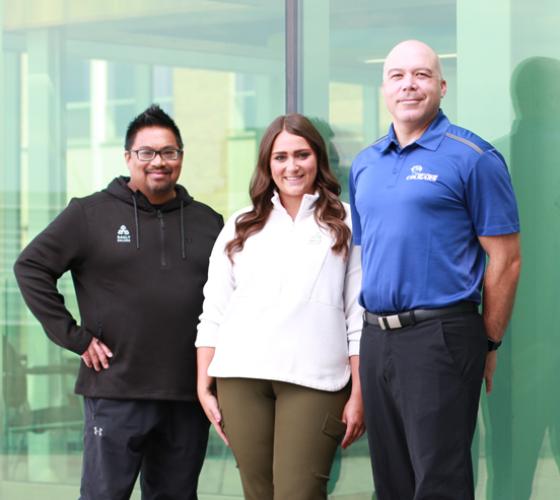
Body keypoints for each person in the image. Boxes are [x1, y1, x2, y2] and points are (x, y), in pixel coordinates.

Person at [13, 104, 223, 500]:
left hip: (185, 395)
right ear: (128, 157)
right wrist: (75, 338)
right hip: (116, 390)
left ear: (180, 157)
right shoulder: (89, 214)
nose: (158, 162)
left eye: (169, 152)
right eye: (146, 152)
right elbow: (30, 267)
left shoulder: (209, 223)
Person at [349, 40, 521, 500]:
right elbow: (370, 259)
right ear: (384, 87)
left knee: (438, 481)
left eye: (422, 75)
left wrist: (488, 341)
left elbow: (506, 259)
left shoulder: (474, 157)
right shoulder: (365, 164)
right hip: (376, 337)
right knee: (391, 483)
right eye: (397, 75)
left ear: (442, 87)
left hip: (440, 336)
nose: (409, 84)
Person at [196, 113, 364, 500]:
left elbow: (359, 315)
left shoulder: (348, 222)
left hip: (316, 379)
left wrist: (360, 393)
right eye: (280, 157)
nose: (291, 166)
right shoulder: (240, 224)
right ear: (267, 164)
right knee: (258, 493)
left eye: (301, 154)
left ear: (319, 159)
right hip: (240, 377)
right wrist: (204, 382)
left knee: (299, 493)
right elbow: (214, 309)